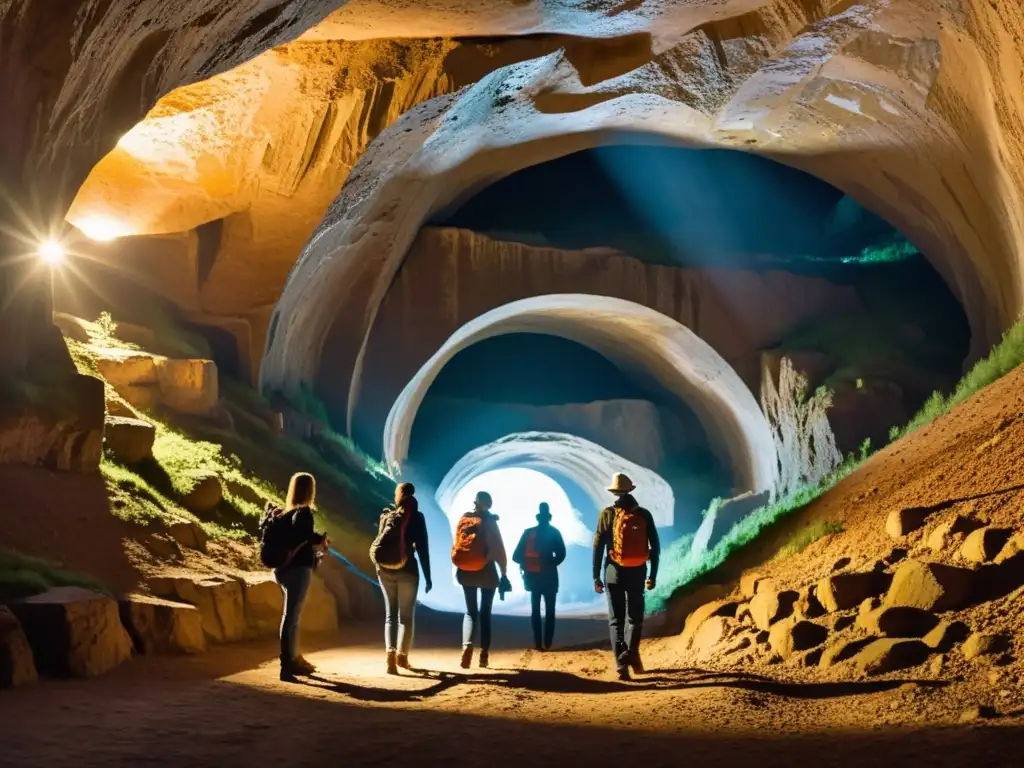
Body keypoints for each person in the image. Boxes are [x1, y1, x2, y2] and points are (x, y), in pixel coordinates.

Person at [592, 473, 660, 681]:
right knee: (635, 619)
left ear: (613, 492)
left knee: (616, 620)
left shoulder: (607, 514)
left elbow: (598, 546)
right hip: (638, 572)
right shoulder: (645, 514)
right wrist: (652, 575)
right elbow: (655, 547)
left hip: (613, 573)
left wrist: (596, 576)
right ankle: (632, 654)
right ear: (630, 490)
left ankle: (621, 666)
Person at [266, 472, 329, 681]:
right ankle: (287, 663)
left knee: (291, 617)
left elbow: (298, 535)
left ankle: (293, 656)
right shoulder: (304, 513)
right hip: (298, 569)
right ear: (310, 490)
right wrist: (320, 541)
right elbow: (305, 536)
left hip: (282, 569)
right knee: (291, 617)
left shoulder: (284, 515)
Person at [370, 482, 432, 675]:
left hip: (385, 570)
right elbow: (422, 548)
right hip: (408, 570)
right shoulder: (418, 517)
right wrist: (428, 576)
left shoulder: (388, 516)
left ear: (401, 494)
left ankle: (390, 656)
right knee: (405, 617)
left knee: (390, 615)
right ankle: (402, 657)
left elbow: (380, 542)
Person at [451, 490, 508, 669]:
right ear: (489, 504)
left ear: (475, 502)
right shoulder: (489, 521)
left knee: (470, 612)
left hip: (466, 572)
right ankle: (483, 655)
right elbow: (499, 549)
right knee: (485, 613)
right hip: (487, 571)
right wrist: (504, 573)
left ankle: (467, 645)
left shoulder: (464, 518)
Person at [512, 502, 566, 651]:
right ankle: (548, 642)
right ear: (549, 518)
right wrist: (550, 563)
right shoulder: (554, 532)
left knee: (535, 610)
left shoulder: (528, 533)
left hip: (533, 576)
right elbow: (562, 554)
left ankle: (537, 643)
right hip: (549, 576)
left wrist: (528, 562)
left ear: (537, 518)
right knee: (550, 610)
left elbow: (515, 556)